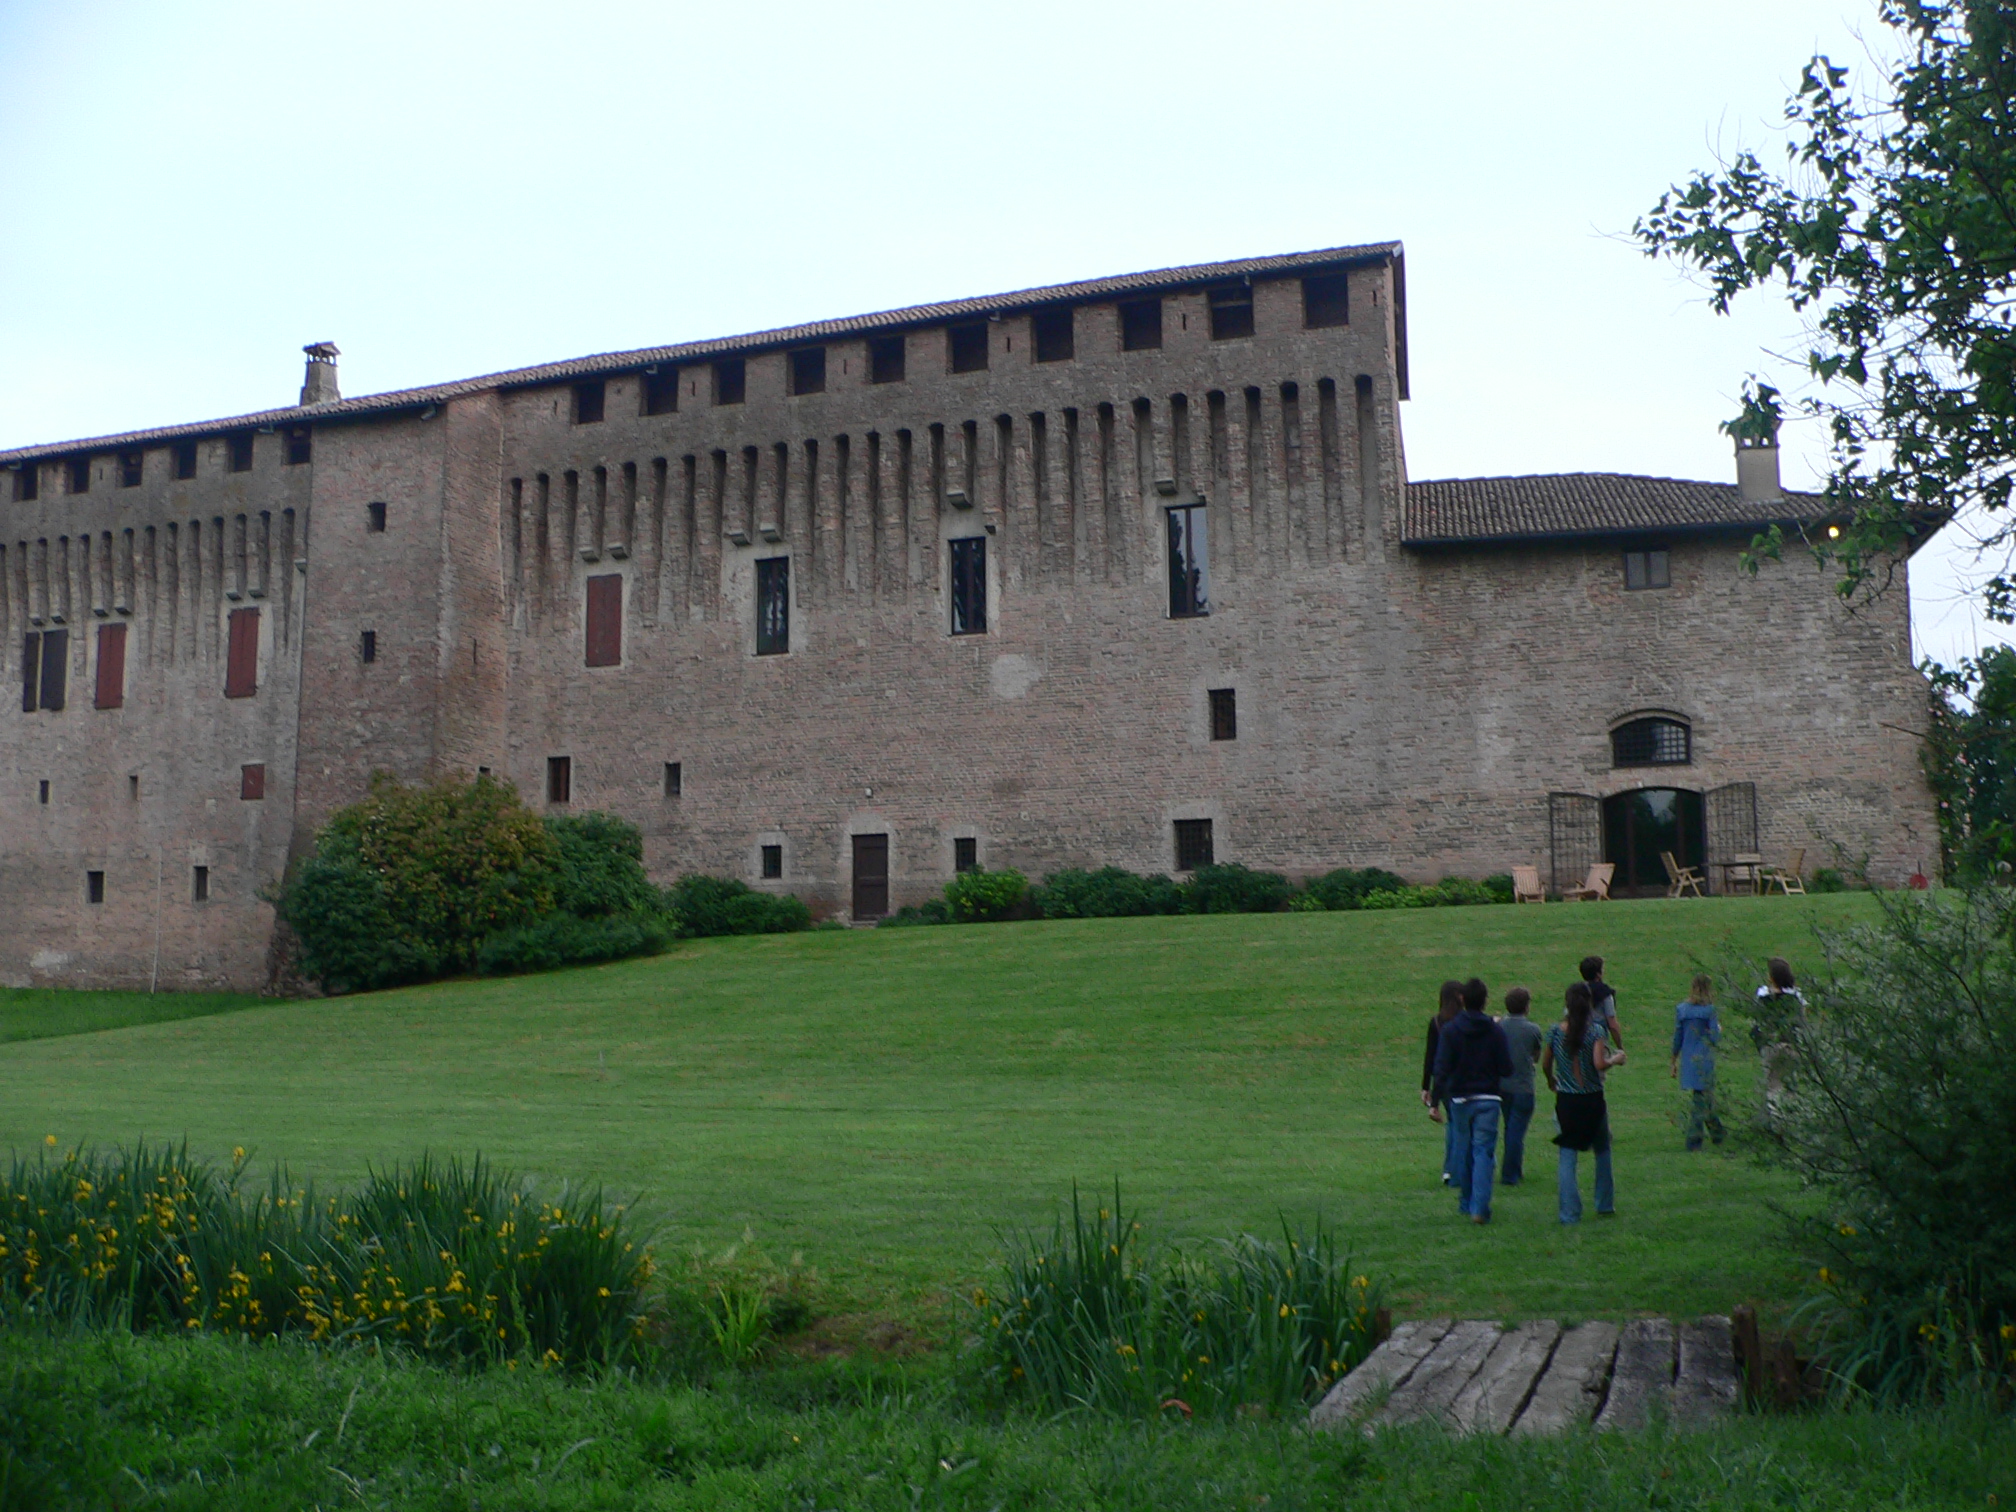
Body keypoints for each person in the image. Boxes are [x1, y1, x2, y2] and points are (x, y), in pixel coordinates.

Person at [1432, 977, 1514, 1223]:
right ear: (1485, 1001)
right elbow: (1506, 1068)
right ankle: (1479, 1206)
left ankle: (1467, 1201)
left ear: (1463, 1000)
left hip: (1460, 1099)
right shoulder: (1495, 1030)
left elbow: (1441, 1068)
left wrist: (1434, 1101)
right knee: (1483, 1151)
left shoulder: (1451, 1030)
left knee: (1464, 1149)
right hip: (1488, 1096)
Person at [1543, 980, 1626, 1223]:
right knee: (1602, 1150)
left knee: (1568, 1155)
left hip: (1567, 1100)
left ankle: (1569, 1213)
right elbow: (1599, 1063)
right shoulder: (1595, 1032)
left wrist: (1551, 1080)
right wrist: (1616, 1059)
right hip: (1591, 1099)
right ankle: (1604, 1203)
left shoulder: (1556, 1032)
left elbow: (1546, 1063)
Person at [1671, 973, 1725, 1149]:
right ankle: (1695, 1138)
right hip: (1705, 1056)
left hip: (1688, 1056)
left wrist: (1673, 1059)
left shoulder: (1682, 1010)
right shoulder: (1710, 1010)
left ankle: (1718, 1133)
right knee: (1701, 1099)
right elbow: (1714, 1038)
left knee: (1702, 1097)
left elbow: (1678, 1037)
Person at [1496, 987, 1544, 1185]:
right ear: (1526, 1007)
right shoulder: (1533, 1029)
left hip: (1502, 1086)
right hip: (1523, 1087)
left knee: (1511, 1128)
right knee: (1516, 1132)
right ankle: (1510, 1175)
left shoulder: (1499, 1027)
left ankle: (1516, 1168)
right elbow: (1536, 1056)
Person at [1421, 980, 1464, 1186]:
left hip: (1444, 1083)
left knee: (1454, 1125)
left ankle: (1450, 1169)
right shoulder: (1464, 1022)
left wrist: (1426, 1087)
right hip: (1463, 1080)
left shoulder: (1437, 1022)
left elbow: (1430, 1058)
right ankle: (1456, 1169)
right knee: (1460, 1126)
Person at [1753, 958, 1806, 1116]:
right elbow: (1802, 1022)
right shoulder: (1796, 998)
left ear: (1772, 978)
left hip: (1771, 1046)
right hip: (1791, 1045)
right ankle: (1793, 1119)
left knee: (1773, 1086)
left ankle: (1778, 1122)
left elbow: (1758, 1021)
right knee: (1791, 1085)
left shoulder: (1763, 997)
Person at [1579, 956, 1625, 1049]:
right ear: (1598, 974)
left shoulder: (1576, 991)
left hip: (1579, 1042)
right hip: (1599, 1043)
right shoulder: (1606, 994)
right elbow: (1612, 1024)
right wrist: (1620, 1047)